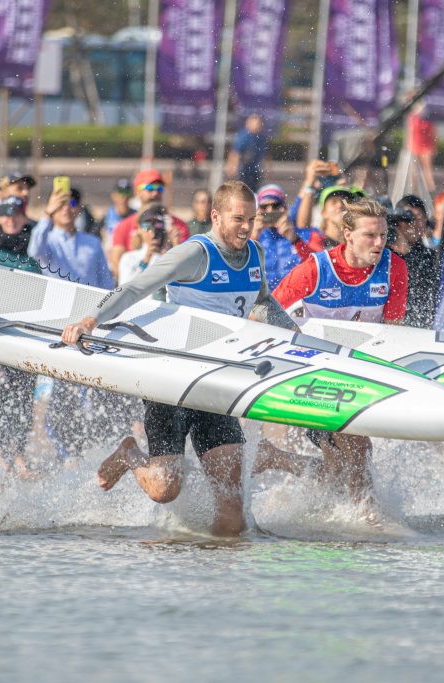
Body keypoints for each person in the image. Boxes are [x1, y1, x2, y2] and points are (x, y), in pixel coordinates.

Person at [60, 181, 296, 537]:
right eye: (238, 219)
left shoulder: (255, 255)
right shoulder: (194, 253)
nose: (246, 227)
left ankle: (210, 583)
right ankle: (129, 454)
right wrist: (92, 320)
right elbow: (137, 287)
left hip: (218, 384)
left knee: (233, 515)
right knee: (164, 489)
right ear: (215, 216)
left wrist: (297, 338)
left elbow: (263, 302)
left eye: (251, 219)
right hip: (172, 382)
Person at [260, 199, 408, 506]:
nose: (380, 243)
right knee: (359, 448)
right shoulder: (315, 269)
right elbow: (264, 311)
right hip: (313, 373)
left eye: (383, 234)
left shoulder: (395, 268)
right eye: (370, 235)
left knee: (338, 471)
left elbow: (393, 332)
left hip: (357, 372)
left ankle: (279, 469)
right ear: (348, 234)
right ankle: (367, 519)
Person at [30, 185, 126, 466]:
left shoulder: (91, 243)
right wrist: (46, 215)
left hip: (87, 327)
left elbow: (106, 285)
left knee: (92, 396)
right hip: (57, 327)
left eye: (70, 202)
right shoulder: (47, 240)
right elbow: (34, 249)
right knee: (57, 398)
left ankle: (93, 452)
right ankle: (65, 455)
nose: (65, 208)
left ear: (78, 208)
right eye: (59, 204)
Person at [0, 196, 41, 474]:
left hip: (27, 333)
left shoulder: (34, 246)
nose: (11, 219)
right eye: (5, 215)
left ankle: (19, 453)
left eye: (16, 214)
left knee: (25, 398)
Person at [109, 169, 188, 275]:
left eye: (159, 188)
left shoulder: (178, 226)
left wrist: (173, 246)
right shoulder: (124, 226)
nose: (155, 193)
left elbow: (187, 267)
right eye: (149, 188)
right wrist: (144, 261)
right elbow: (117, 267)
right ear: (137, 192)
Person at [251, 183, 322, 290]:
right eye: (264, 207)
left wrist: (295, 239)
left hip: (294, 301)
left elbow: (319, 267)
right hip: (262, 300)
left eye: (276, 205)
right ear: (258, 211)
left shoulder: (304, 235)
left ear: (285, 207)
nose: (270, 210)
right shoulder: (250, 238)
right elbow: (235, 266)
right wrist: (253, 237)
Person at [390, 195, 441, 329]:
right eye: (408, 218)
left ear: (426, 222)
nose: (413, 224)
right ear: (397, 221)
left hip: (423, 326)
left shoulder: (431, 257)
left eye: (419, 219)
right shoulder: (385, 255)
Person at [117, 204, 175, 286]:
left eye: (158, 226)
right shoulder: (129, 258)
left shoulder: (169, 257)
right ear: (139, 229)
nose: (152, 233)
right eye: (147, 227)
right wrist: (146, 260)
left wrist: (176, 247)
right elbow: (124, 288)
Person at [227, 113, 268, 191]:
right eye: (256, 123)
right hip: (243, 170)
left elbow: (265, 154)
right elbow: (235, 153)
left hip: (254, 170)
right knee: (242, 190)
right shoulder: (243, 136)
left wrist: (268, 168)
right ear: (248, 124)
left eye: (259, 124)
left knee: (254, 191)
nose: (258, 126)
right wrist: (232, 167)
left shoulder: (261, 138)